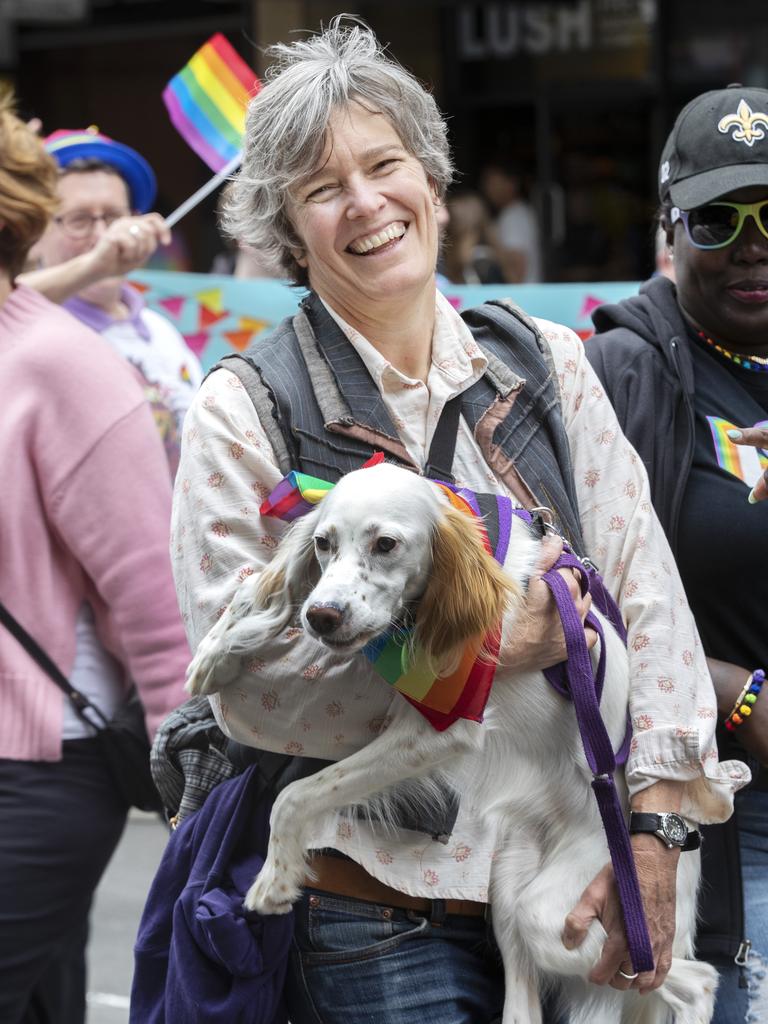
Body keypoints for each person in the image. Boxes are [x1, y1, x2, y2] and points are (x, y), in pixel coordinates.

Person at [170, 21, 747, 1022]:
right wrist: (485, 649)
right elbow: (252, 692)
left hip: (572, 878)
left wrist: (654, 833)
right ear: (285, 228)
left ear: (431, 178)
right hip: (378, 909)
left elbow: (651, 611)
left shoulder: (548, 363)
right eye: (320, 186)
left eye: (385, 164)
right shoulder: (245, 407)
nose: (365, 202)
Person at [0, 95, 190, 1023]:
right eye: (84, 216)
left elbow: (149, 602)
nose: (106, 236)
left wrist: (197, 795)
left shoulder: (68, 363)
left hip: (39, 763)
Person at [587, 83, 768, 1024]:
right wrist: (734, 691)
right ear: (669, 227)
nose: (753, 241)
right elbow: (574, 611)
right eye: (718, 217)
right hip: (723, 817)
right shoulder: (621, 375)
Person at [18, 126, 203, 473]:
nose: (103, 237)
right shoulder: (25, 335)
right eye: (80, 220)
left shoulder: (159, 330)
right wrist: (94, 266)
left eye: (115, 217)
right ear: (35, 233)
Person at [479, 159, 542, 282]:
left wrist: (491, 238)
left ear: (512, 183)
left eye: (493, 182)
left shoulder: (513, 216)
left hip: (522, 297)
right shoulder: (516, 212)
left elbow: (517, 272)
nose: (488, 188)